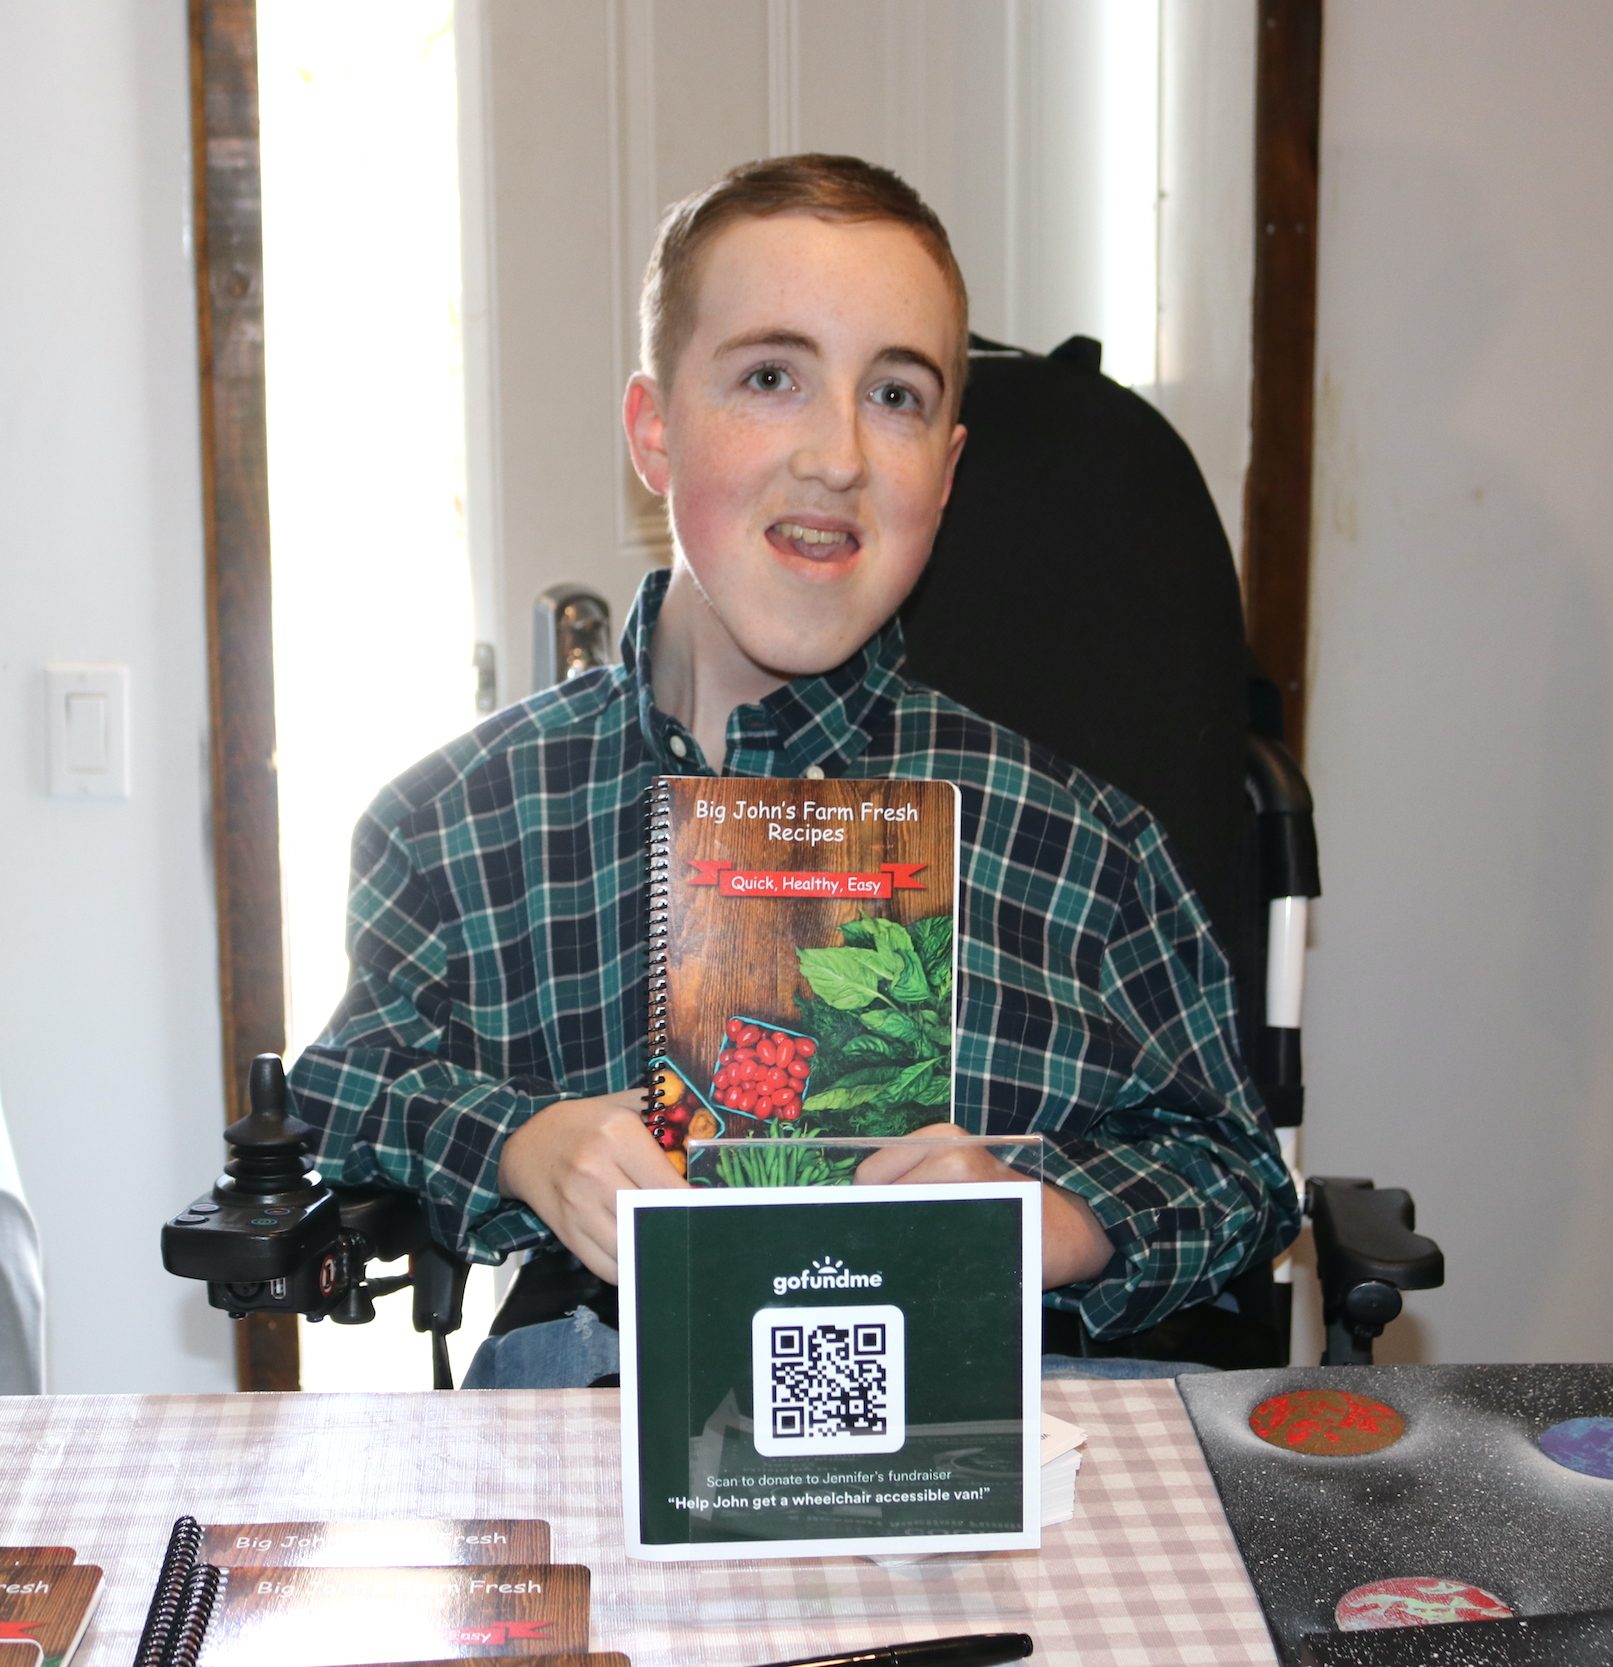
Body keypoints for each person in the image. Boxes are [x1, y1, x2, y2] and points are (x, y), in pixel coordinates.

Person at [287, 154, 1299, 1387]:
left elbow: (1236, 1172)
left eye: (895, 395)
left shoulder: (1081, 846)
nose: (836, 454)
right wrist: (520, 1142)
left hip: (989, 1417)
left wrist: (1053, 1219)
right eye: (771, 377)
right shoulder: (458, 824)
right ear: (653, 432)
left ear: (946, 469)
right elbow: (341, 1091)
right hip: (607, 1411)